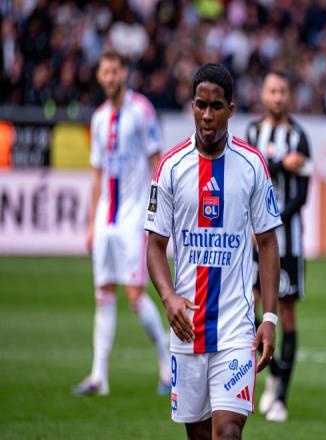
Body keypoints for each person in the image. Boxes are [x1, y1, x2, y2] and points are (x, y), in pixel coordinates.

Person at [145, 63, 281, 440]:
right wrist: (168, 297)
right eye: (201, 105)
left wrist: (269, 316)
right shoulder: (170, 167)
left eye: (216, 106)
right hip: (187, 327)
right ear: (192, 106)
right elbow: (154, 245)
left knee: (229, 431)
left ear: (231, 110)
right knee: (200, 435)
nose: (207, 115)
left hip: (236, 326)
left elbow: (268, 242)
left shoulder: (252, 165)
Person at [73, 49, 172, 396]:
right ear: (99, 76)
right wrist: (91, 224)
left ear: (124, 73)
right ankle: (98, 376)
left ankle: (167, 366)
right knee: (103, 292)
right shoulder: (99, 118)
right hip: (106, 218)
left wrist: (159, 213)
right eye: (105, 71)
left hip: (134, 218)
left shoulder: (141, 111)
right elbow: (97, 174)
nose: (110, 77)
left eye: (115, 71)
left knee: (134, 295)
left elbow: (158, 163)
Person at [246, 70, 312, 422]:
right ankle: (273, 372)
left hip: (287, 243)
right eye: (272, 90)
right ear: (263, 94)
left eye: (283, 91)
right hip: (253, 242)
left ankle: (281, 396)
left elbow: (301, 197)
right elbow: (248, 177)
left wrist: (272, 222)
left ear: (289, 95)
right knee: (250, 306)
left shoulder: (299, 137)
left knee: (286, 313)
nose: (277, 97)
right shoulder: (252, 134)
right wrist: (280, 164)